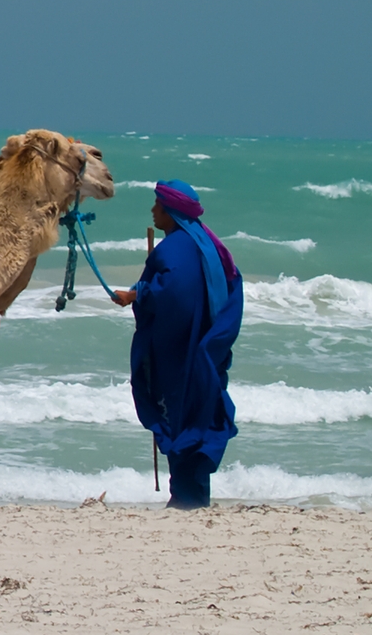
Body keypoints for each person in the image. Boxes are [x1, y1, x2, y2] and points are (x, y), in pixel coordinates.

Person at [110, 180, 242, 509]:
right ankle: (192, 495)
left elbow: (175, 292)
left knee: (179, 418)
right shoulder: (207, 246)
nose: (153, 211)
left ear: (171, 210)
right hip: (201, 350)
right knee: (197, 414)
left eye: (158, 205)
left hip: (178, 352)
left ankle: (185, 497)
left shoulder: (174, 248)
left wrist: (136, 295)